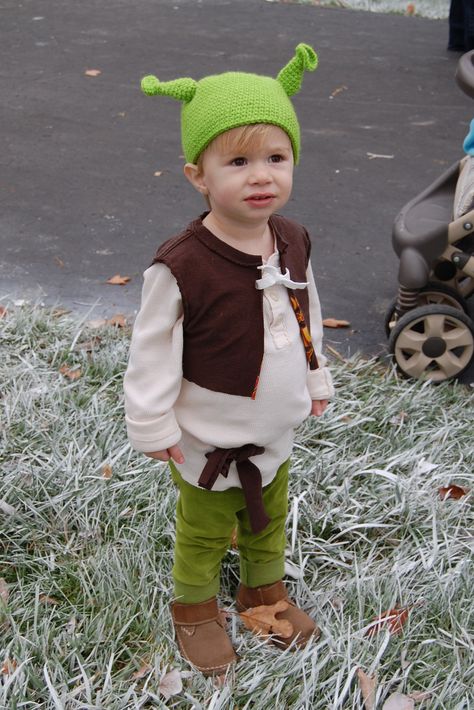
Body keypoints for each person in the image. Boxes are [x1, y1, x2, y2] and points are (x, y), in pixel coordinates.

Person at [124, 43, 334, 677]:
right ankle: (193, 609)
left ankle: (263, 593)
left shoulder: (292, 239)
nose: (261, 175)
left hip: (273, 431)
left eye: (276, 157)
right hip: (210, 442)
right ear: (198, 174)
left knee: (268, 521)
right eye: (238, 161)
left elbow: (307, 314)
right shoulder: (183, 263)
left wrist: (316, 373)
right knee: (206, 531)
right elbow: (152, 348)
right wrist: (153, 424)